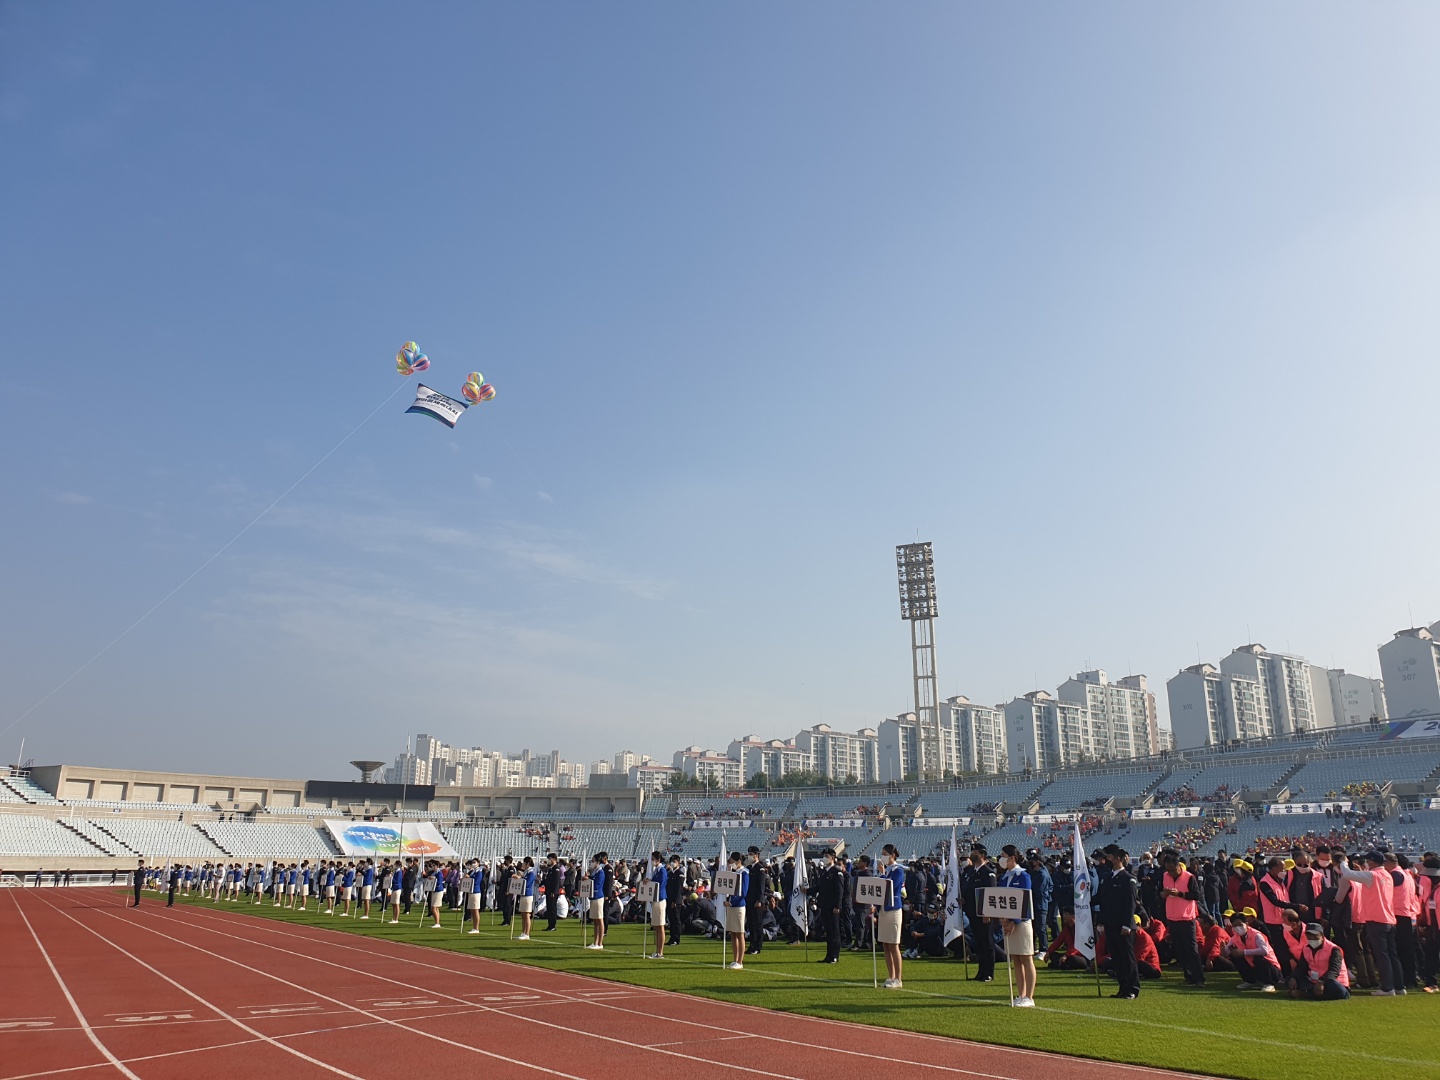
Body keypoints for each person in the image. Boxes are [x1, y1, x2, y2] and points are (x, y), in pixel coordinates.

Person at [1334, 850, 1404, 995]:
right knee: (1392, 955)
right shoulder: (1387, 875)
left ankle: (1387, 987)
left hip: (1376, 920)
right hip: (1389, 919)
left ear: (1372, 862)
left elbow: (1347, 874)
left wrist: (1343, 862)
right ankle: (1399, 986)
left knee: (1382, 955)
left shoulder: (1373, 875)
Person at [1097, 846, 1138, 999]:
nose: (1107, 859)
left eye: (1110, 856)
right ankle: (1122, 986)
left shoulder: (1128, 879)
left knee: (1127, 958)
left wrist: (1127, 925)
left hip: (1123, 926)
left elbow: (1130, 904)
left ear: (1118, 858)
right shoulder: (1107, 878)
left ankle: (1132, 988)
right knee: (1117, 958)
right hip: (1111, 924)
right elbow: (1102, 899)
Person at [1159, 851, 1206, 987]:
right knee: (1180, 950)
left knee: (1191, 949)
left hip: (1186, 918)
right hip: (1172, 918)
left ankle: (1199, 978)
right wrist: (1163, 894)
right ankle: (1189, 976)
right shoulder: (1165, 876)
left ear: (1179, 865)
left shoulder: (1189, 877)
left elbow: (1196, 895)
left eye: (1173, 870)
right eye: (1168, 870)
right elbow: (1160, 892)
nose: (1171, 873)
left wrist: (1179, 894)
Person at [997, 845, 1035, 1006]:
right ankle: (1021, 994)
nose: (1002, 859)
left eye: (1004, 855)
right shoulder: (1004, 877)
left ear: (1012, 858)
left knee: (1026, 958)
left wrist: (1014, 921)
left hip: (1022, 922)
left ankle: (1029, 997)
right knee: (1016, 959)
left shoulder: (1023, 876)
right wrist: (1003, 919)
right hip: (1007, 922)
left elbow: (1023, 901)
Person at [1221, 908, 1281, 992]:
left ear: (1246, 924)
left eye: (1240, 924)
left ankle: (1269, 983)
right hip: (1254, 966)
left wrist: (1243, 952)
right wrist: (1223, 950)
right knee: (1234, 956)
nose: (1238, 928)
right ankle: (1250, 981)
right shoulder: (1235, 938)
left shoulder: (1256, 935)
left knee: (1258, 958)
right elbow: (1226, 953)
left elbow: (1264, 951)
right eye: (1235, 926)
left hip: (1272, 969)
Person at [963, 846, 998, 983]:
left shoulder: (988, 873)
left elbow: (990, 893)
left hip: (984, 914)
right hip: (973, 913)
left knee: (987, 943)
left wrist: (987, 912)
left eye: (975, 853)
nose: (972, 854)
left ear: (982, 855)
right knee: (979, 943)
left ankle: (989, 972)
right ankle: (981, 971)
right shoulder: (971, 872)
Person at [1289, 922, 1350, 1000]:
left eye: (1315, 936)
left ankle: (1307, 994)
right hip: (1314, 980)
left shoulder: (1334, 949)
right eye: (1309, 936)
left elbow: (1334, 971)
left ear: (1322, 936)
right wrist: (1294, 977)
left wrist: (1322, 982)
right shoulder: (1306, 948)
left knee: (1339, 991)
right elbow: (1301, 967)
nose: (1312, 938)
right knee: (1292, 980)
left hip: (1333, 981)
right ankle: (1313, 993)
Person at [878, 844, 906, 989]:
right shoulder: (886, 871)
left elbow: (891, 888)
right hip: (883, 908)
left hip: (894, 909)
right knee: (886, 944)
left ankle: (898, 978)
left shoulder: (898, 870)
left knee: (894, 944)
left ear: (892, 855)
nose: (883, 856)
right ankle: (891, 975)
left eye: (885, 854)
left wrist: (882, 874)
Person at [817, 848, 844, 964]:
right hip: (825, 906)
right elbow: (820, 888)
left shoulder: (836, 872)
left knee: (834, 932)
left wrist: (837, 906)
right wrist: (806, 890)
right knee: (828, 932)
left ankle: (835, 955)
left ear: (832, 858)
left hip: (833, 907)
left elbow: (839, 891)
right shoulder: (824, 872)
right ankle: (828, 955)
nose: (824, 858)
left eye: (827, 856)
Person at [724, 851, 749, 969]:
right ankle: (735, 959)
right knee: (733, 933)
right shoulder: (734, 873)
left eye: (732, 862)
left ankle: (740, 961)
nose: (731, 864)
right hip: (731, 906)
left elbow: (743, 892)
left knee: (740, 933)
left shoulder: (744, 873)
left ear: (738, 861)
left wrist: (732, 902)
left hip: (738, 906)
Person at [745, 847, 769, 956]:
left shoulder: (760, 869)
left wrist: (759, 900)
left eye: (751, 854)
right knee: (750, 924)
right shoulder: (749, 868)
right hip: (749, 900)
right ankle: (752, 945)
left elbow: (761, 887)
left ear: (756, 855)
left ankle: (757, 946)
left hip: (757, 901)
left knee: (757, 924)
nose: (749, 856)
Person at [647, 851, 669, 958]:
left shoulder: (662, 870)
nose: (652, 861)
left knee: (660, 926)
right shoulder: (656, 871)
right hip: (655, 900)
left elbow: (661, 885)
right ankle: (657, 951)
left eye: (653, 859)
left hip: (659, 900)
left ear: (658, 860)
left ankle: (660, 952)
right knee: (656, 926)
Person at [586, 853, 609, 950]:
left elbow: (597, 885)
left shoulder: (600, 872)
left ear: (598, 862)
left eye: (593, 861)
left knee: (600, 919)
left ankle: (600, 943)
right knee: (595, 920)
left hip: (598, 897)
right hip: (593, 897)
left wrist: (589, 880)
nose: (592, 863)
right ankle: (595, 941)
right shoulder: (595, 872)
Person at [515, 857, 536, 939]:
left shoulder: (531, 873)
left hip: (528, 895)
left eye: (524, 863)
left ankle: (527, 933)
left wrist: (520, 878)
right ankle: (523, 932)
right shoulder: (526, 872)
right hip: (523, 894)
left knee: (527, 914)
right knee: (523, 914)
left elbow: (527, 883)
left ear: (527, 864)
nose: (523, 864)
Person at [543, 853, 562, 932]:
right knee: (549, 908)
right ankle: (550, 924)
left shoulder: (556, 868)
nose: (548, 861)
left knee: (552, 909)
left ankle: (553, 925)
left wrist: (554, 891)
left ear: (553, 859)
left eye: (549, 859)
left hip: (553, 892)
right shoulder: (550, 869)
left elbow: (556, 882)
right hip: (548, 891)